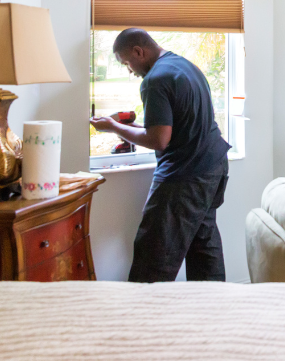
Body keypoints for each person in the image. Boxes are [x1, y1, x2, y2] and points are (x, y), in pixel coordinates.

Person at [89, 28, 230, 282]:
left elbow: (158, 140)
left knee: (154, 254)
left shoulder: (154, 80)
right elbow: (167, 128)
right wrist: (120, 125)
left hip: (186, 176)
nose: (129, 70)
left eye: (127, 63)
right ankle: (213, 311)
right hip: (214, 166)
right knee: (204, 248)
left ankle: (143, 315)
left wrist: (112, 127)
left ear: (138, 52)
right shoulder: (185, 66)